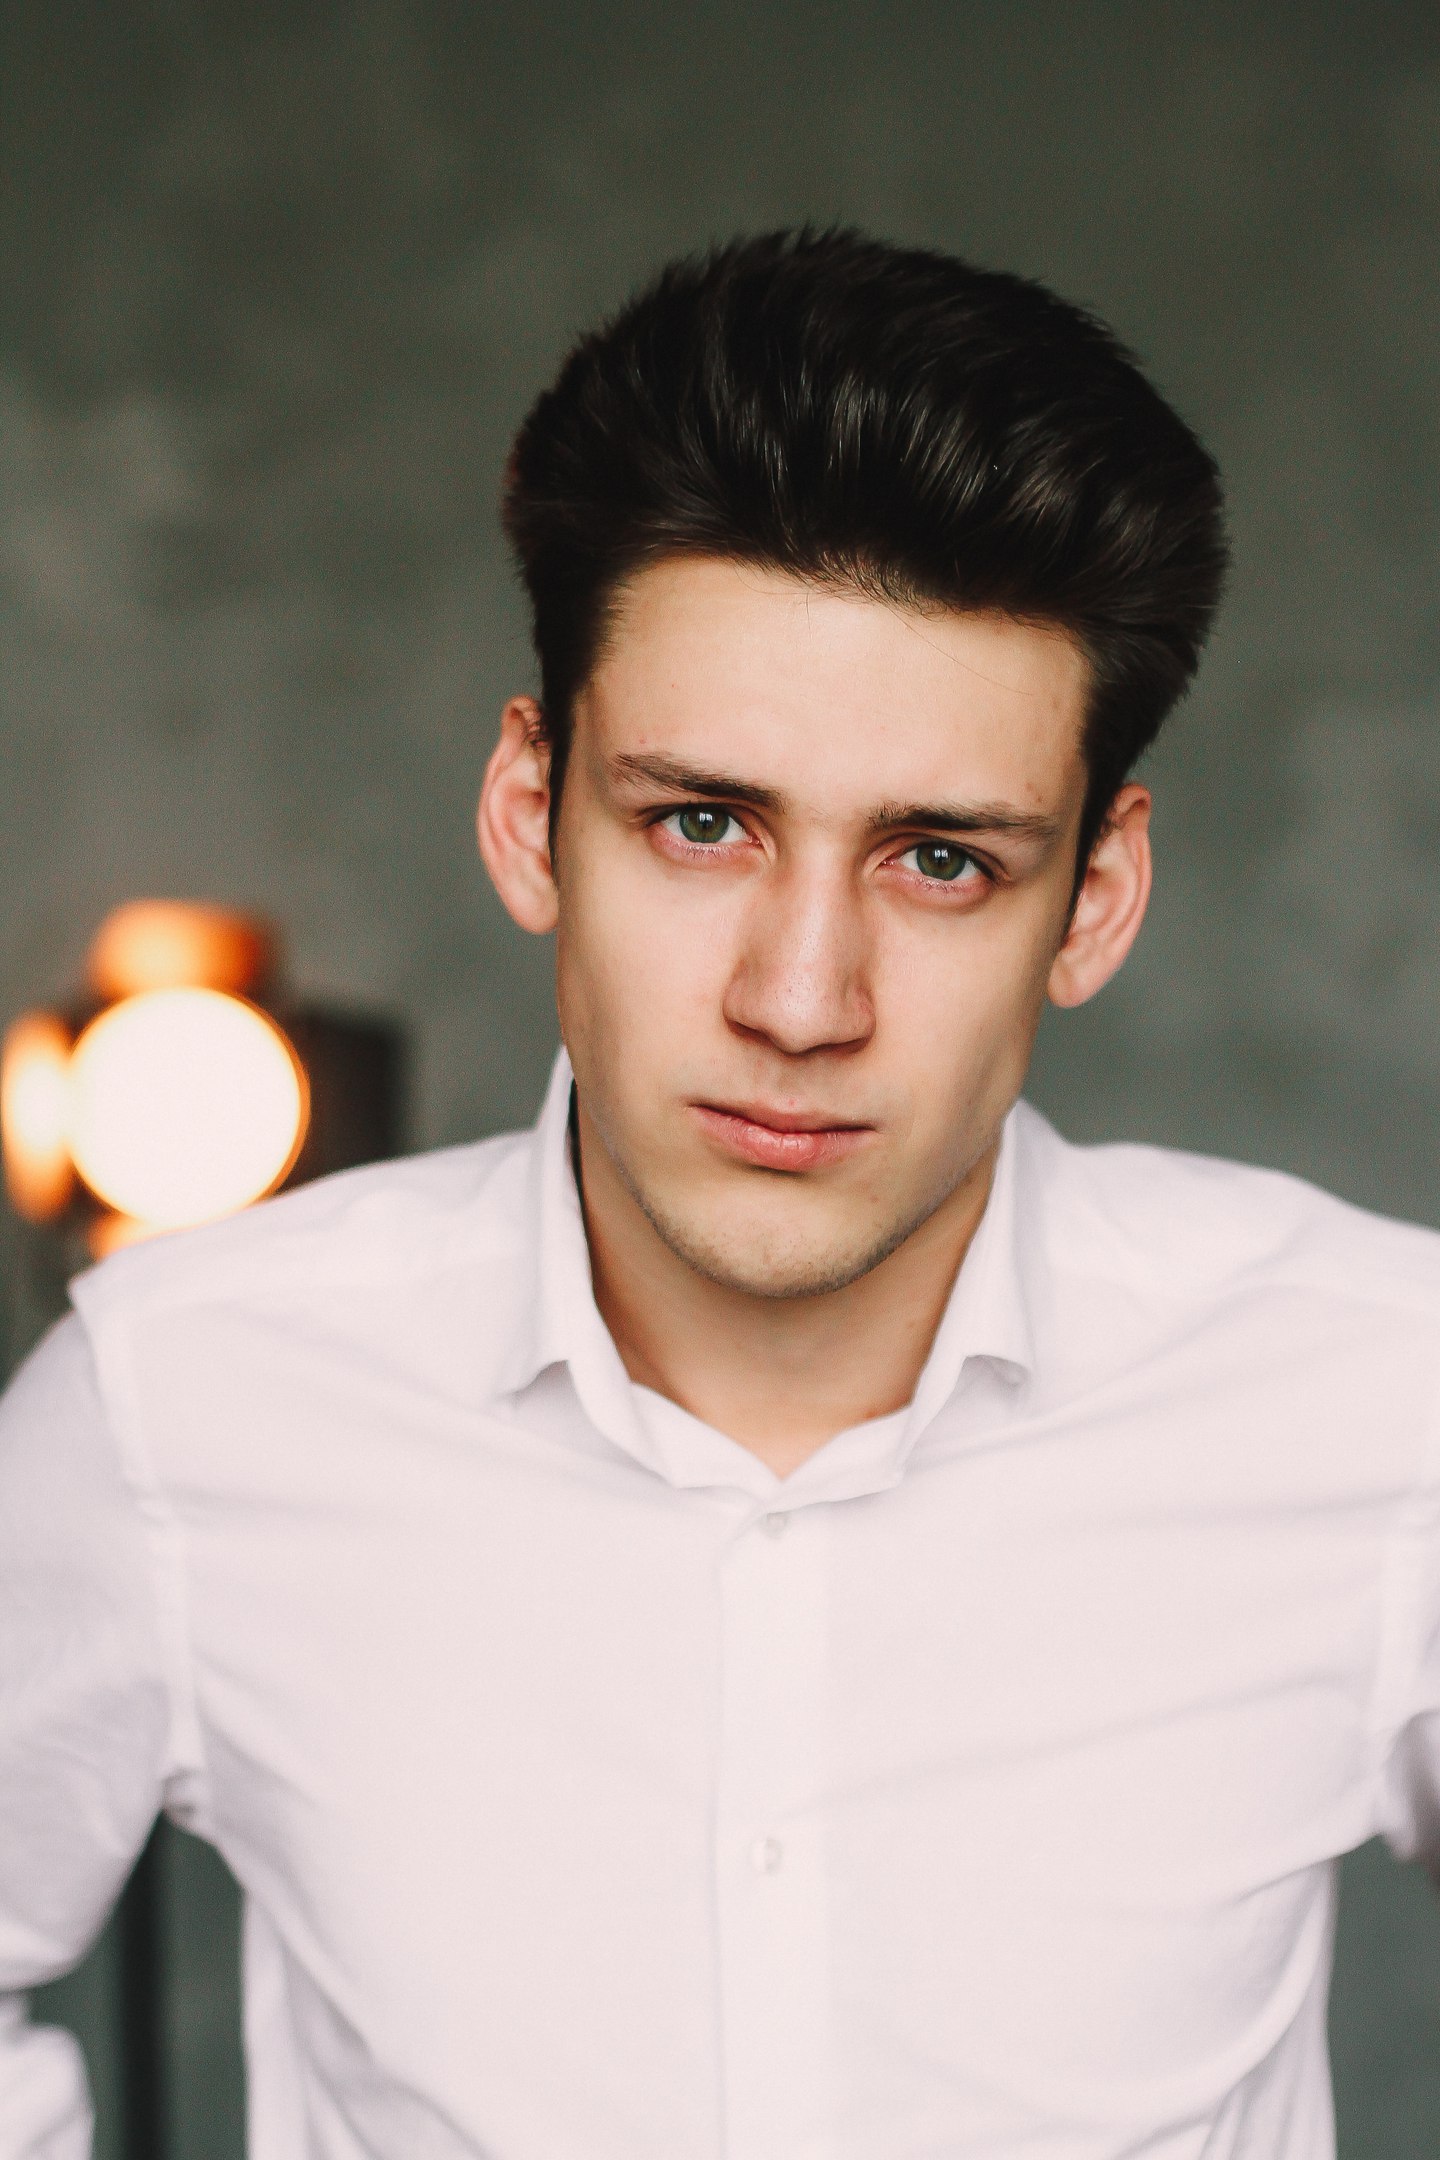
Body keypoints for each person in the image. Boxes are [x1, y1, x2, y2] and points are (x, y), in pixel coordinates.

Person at [2, 227, 1438, 2160]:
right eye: (700, 822)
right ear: (531, 815)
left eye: (941, 860)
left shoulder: (1381, 1398)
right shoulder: (182, 1401)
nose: (801, 998)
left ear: (1095, 900)